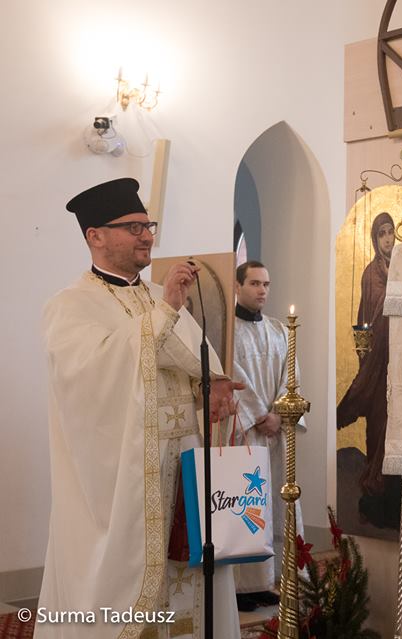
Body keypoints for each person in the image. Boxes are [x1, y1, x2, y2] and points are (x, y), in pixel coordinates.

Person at [39, 178, 244, 638]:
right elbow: (88, 386)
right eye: (133, 227)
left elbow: (190, 363)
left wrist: (212, 389)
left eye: (148, 226)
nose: (147, 236)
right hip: (126, 484)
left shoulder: (156, 297)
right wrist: (164, 313)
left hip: (184, 472)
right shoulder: (70, 306)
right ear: (95, 236)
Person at [231, 260, 304, 612]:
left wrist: (279, 415)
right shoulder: (228, 331)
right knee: (245, 507)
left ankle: (264, 581)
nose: (262, 290)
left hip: (275, 435)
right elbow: (232, 375)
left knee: (273, 505)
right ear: (237, 286)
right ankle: (240, 587)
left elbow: (292, 378)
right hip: (245, 434)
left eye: (266, 284)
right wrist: (259, 415)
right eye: (255, 283)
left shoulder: (279, 331)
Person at [336, 212, 399, 529]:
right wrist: (364, 358)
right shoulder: (370, 274)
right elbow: (363, 319)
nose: (387, 239)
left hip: (398, 362)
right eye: (381, 234)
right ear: (375, 240)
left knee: (393, 426)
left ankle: (392, 492)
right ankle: (374, 487)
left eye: (391, 232)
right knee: (376, 427)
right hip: (374, 363)